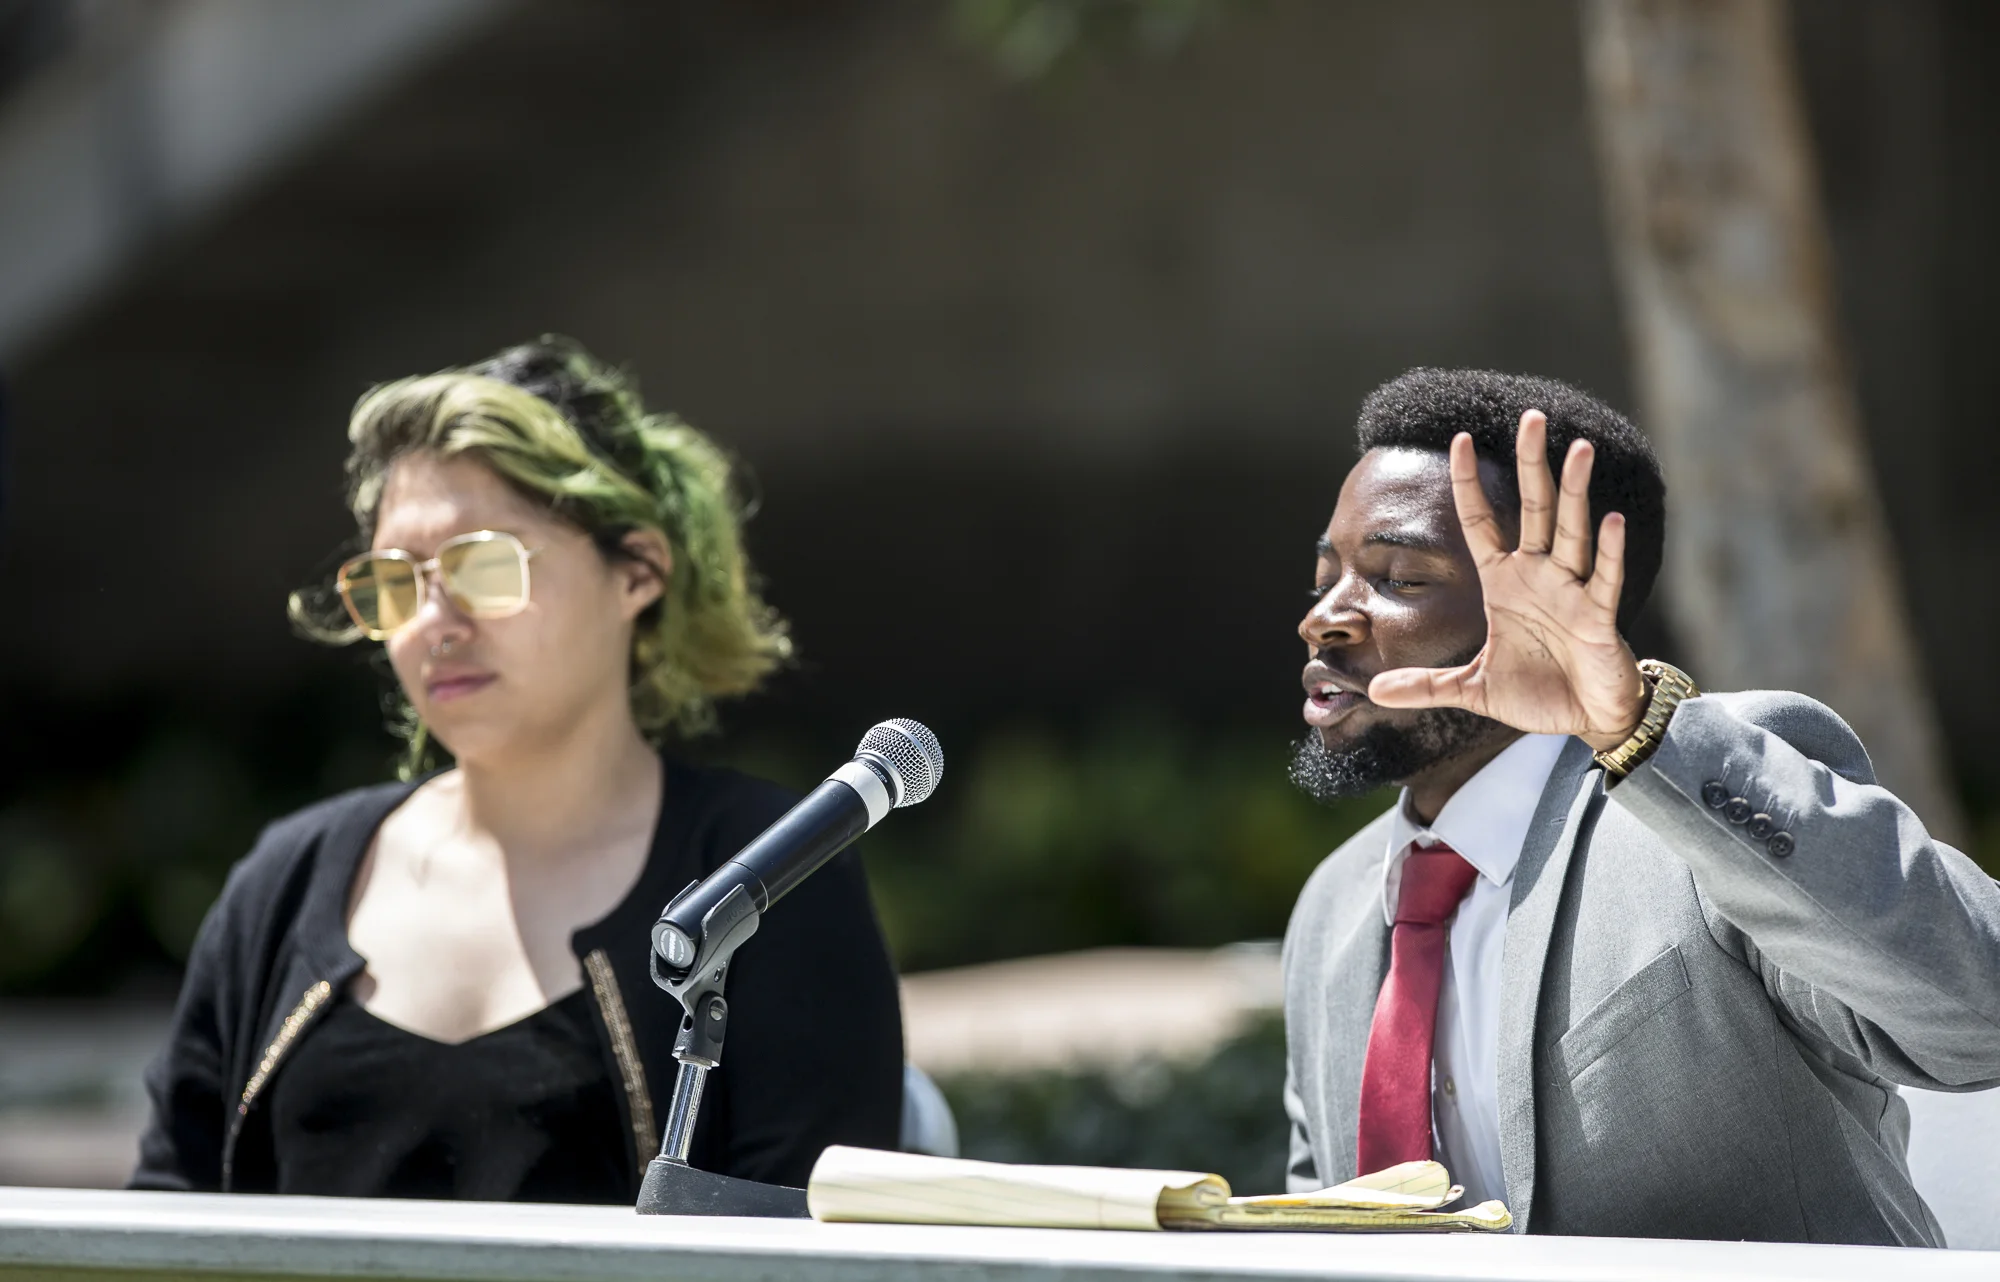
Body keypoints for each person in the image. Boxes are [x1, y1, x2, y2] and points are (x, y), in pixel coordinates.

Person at [132, 337, 904, 1202]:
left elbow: (817, 1241)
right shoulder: (287, 879)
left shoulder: (769, 874)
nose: (434, 621)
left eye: (485, 565)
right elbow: (165, 1214)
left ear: (638, 572)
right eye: (395, 581)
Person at [1281, 367, 2000, 1244]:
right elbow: (1318, 1227)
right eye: (1327, 577)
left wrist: (1636, 725)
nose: (1327, 618)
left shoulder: (1705, 812)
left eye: (1399, 577)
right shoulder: (1334, 907)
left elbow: (1977, 1018)